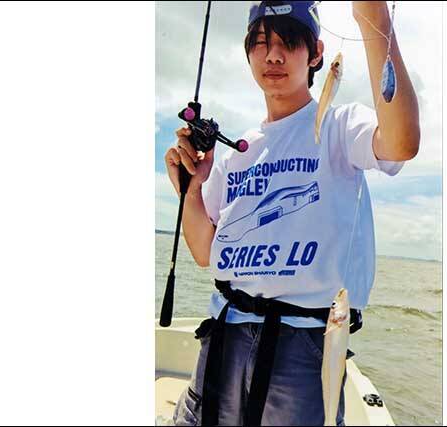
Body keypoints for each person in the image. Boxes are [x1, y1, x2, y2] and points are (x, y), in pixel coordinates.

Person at [165, 1, 420, 425]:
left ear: (316, 53)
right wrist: (192, 188)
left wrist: (374, 19)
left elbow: (401, 142)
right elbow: (205, 252)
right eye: (261, 43)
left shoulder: (341, 125)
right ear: (248, 53)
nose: (273, 56)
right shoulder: (236, 153)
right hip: (224, 333)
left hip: (304, 344)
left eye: (289, 42)